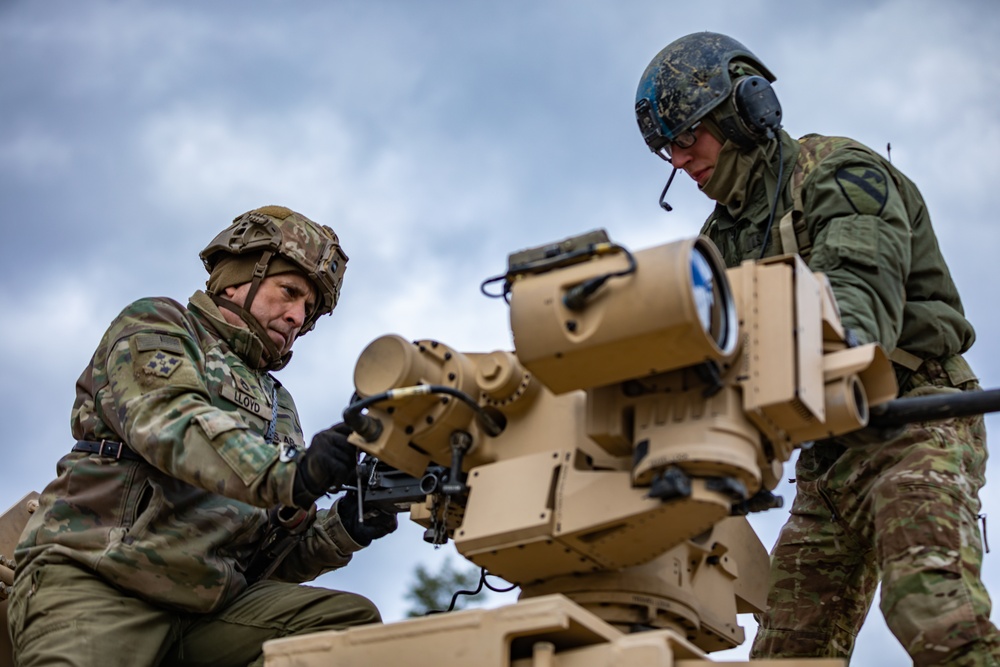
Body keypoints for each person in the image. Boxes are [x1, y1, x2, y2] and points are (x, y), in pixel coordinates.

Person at [635, 32, 1000, 665]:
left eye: (687, 135)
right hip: (828, 460)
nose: (678, 158)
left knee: (930, 605)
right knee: (788, 655)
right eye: (666, 147)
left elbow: (856, 311)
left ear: (743, 110)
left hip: (914, 418)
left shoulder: (839, 173)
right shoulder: (717, 242)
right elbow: (700, 365)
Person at [8, 205, 398, 667]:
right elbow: (169, 423)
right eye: (289, 292)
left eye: (308, 309)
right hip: (100, 583)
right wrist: (292, 472)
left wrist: (344, 527)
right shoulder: (159, 323)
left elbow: (263, 557)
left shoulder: (279, 406)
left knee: (345, 623)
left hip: (208, 611)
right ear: (237, 277)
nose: (297, 317)